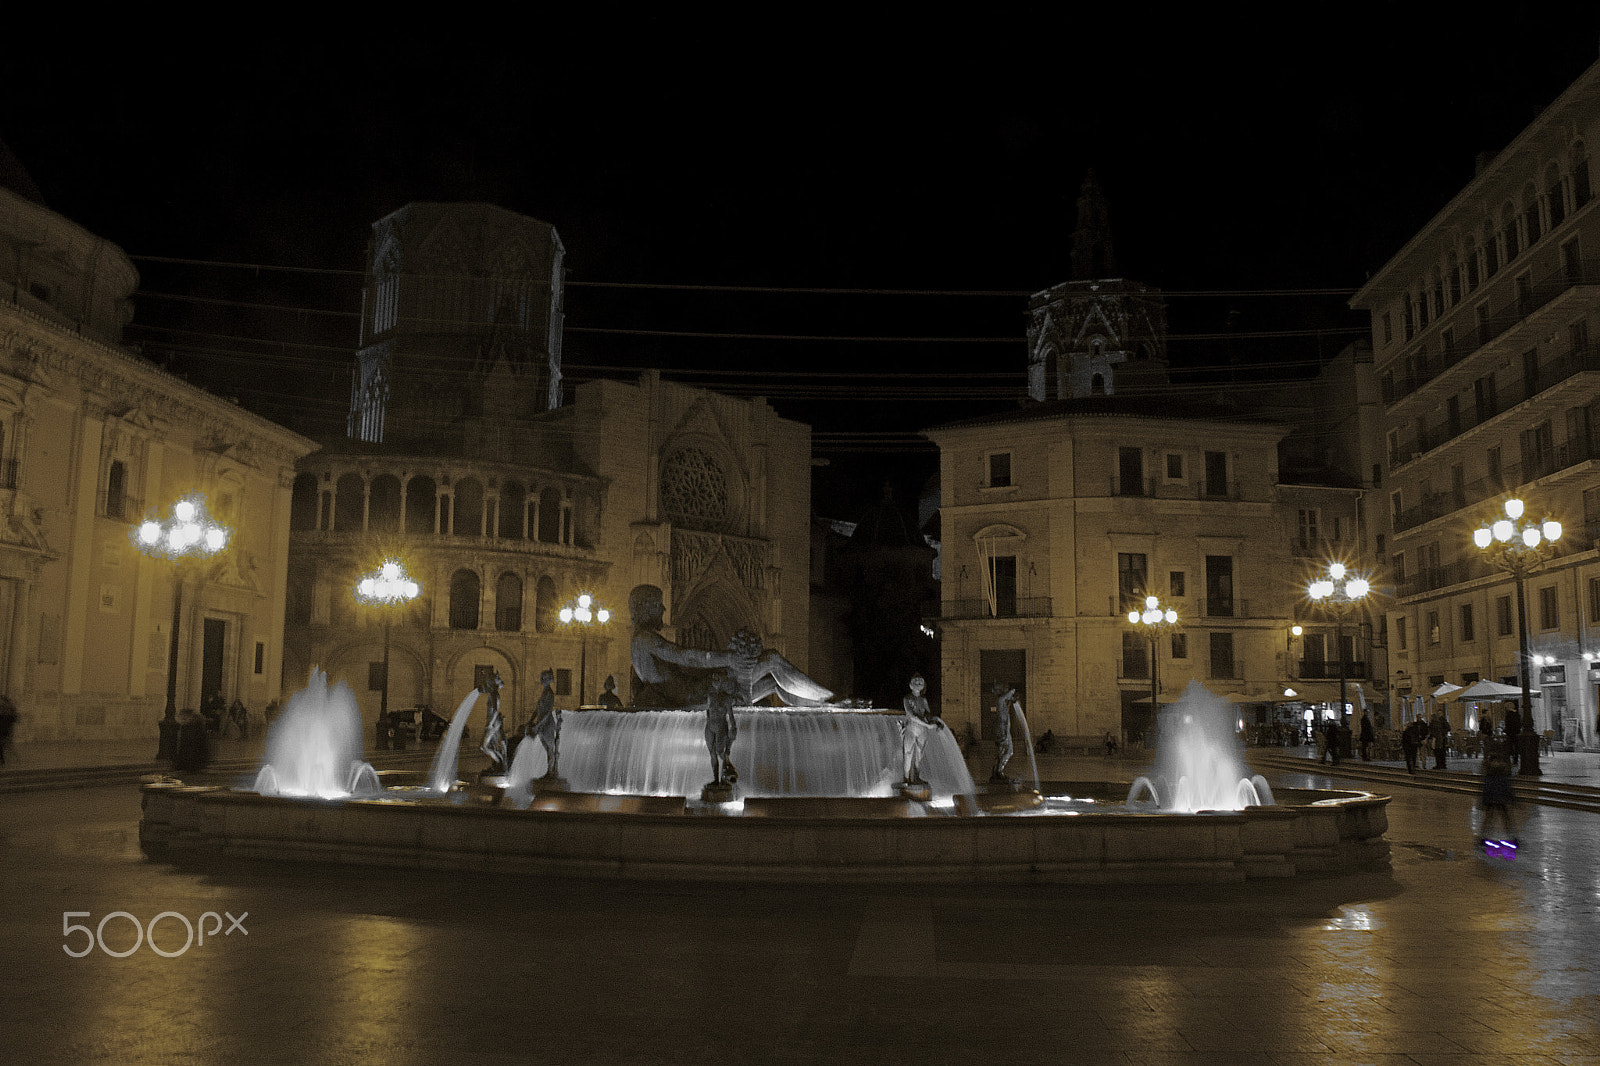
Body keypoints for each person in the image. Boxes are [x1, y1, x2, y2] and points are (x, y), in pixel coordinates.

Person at [628, 584, 832, 708]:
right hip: (698, 694)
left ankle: (821, 705)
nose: (663, 608)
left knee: (773, 684)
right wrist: (729, 658)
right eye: (657, 605)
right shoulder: (644, 639)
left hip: (695, 692)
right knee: (771, 659)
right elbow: (685, 656)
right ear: (643, 608)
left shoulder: (639, 642)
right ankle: (828, 698)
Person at [899, 674, 943, 785]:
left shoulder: (923, 700)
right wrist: (927, 725)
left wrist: (936, 720)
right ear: (910, 685)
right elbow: (911, 715)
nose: (918, 684)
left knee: (920, 754)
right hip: (911, 729)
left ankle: (917, 776)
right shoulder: (907, 699)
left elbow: (927, 715)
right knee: (908, 753)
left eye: (920, 682)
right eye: (916, 682)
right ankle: (906, 777)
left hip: (922, 731)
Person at [703, 670, 739, 789]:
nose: (716, 682)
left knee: (719, 751)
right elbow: (707, 710)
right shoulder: (710, 696)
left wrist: (732, 728)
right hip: (710, 727)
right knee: (712, 754)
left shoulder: (727, 698)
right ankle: (716, 780)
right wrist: (708, 722)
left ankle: (729, 768)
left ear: (722, 682)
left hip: (721, 726)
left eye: (718, 680)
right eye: (714, 680)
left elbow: (731, 715)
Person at [1479, 752, 1517, 848]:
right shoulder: (1503, 774)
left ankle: (1483, 837)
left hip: (1492, 799)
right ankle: (1512, 837)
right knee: (1505, 819)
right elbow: (1507, 787)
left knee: (1489, 819)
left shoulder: (1489, 775)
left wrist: (1484, 801)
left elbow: (1486, 788)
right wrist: (1512, 799)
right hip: (1501, 799)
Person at [991, 682, 1020, 782]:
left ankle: (998, 772)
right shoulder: (1000, 700)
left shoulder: (1004, 702)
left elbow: (1009, 699)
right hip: (1002, 731)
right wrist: (1012, 691)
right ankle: (998, 772)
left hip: (1005, 730)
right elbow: (1005, 697)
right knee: (1003, 752)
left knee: (1006, 752)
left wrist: (1012, 697)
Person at [173, 707, 210, 773]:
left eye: (184, 719)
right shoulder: (192, 725)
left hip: (193, 755)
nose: (182, 721)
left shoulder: (192, 727)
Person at [0, 693, 18, 765]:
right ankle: (2, 760)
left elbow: (12, 718)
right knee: (3, 745)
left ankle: (2, 760)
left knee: (3, 744)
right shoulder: (9, 708)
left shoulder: (6, 709)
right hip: (5, 729)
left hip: (4, 729)